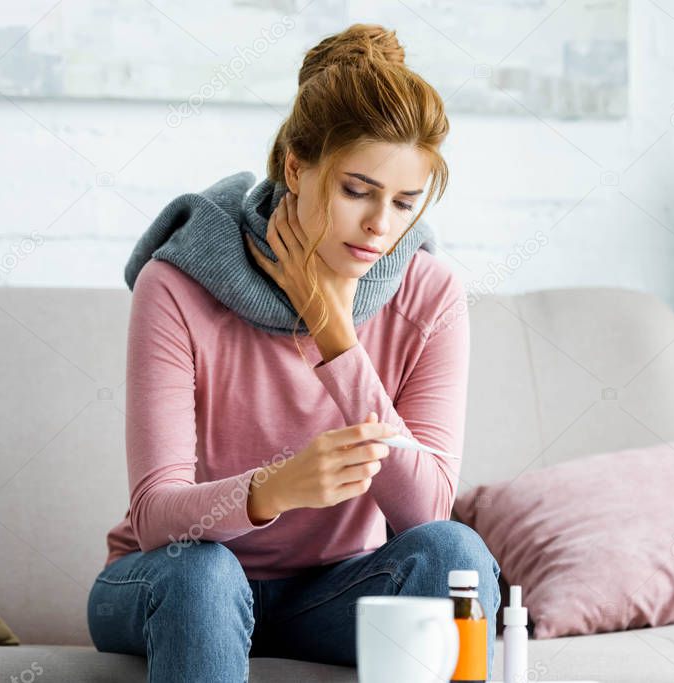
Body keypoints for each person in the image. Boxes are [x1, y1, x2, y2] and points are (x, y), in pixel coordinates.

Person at [86, 23, 501, 683]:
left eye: (402, 202)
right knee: (203, 574)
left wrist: (331, 327)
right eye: (356, 190)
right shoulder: (178, 283)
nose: (379, 226)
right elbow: (156, 515)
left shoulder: (429, 290)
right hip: (174, 578)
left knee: (454, 555)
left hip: (330, 593)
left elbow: (423, 512)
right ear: (296, 167)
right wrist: (270, 489)